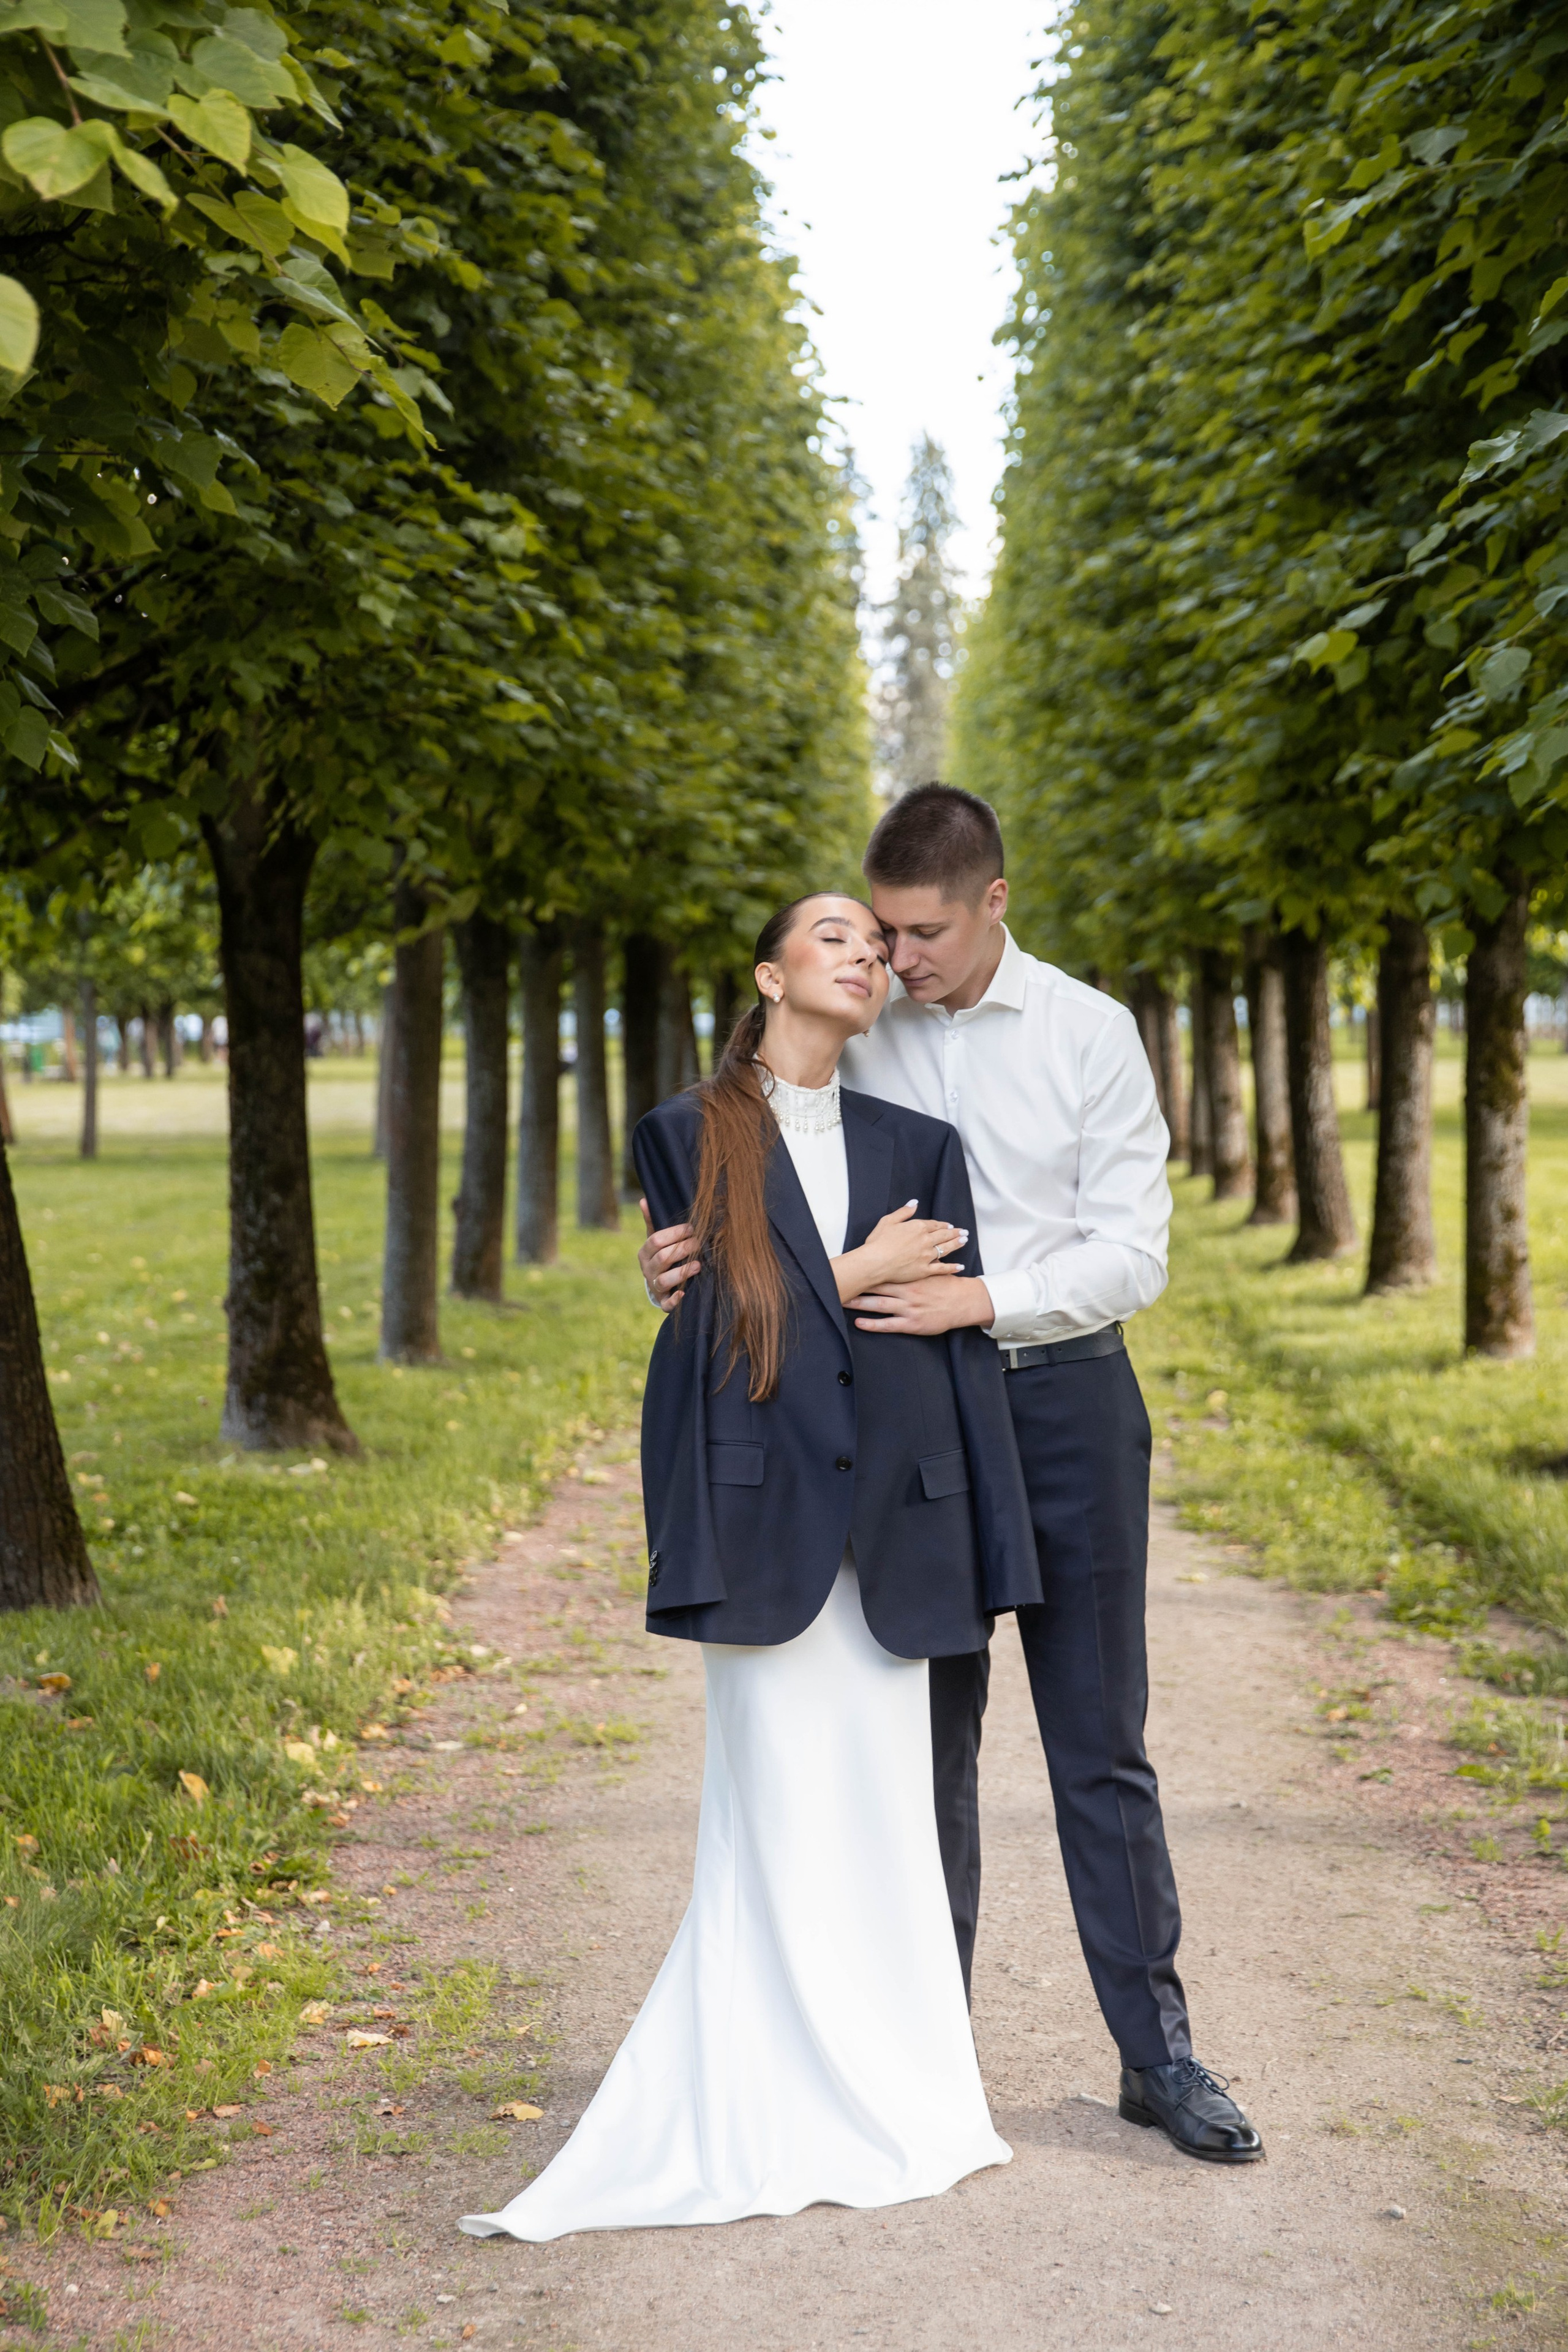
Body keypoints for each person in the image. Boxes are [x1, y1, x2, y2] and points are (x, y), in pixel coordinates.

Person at [641, 788, 1264, 2166]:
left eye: (920, 931)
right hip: (902, 1420)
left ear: (992, 901)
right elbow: (753, 1168)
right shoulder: (854, 1038)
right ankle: (923, 2057)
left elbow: (1131, 1253)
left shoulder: (1091, 1033)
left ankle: (1153, 2055)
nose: (895, 956)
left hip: (1065, 1407)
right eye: (878, 931)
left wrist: (981, 1298)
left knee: (1100, 1740)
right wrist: (680, 1256)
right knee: (925, 1745)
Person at [461, 891, 1041, 2243]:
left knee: (891, 1817)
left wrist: (982, 1535)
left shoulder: (922, 1143)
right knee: (771, 1816)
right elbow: (724, 1326)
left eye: (870, 942)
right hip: (763, 1518)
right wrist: (858, 1268)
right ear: (770, 975)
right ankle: (765, 2095)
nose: (861, 953)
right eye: (830, 935)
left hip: (895, 1521)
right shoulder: (690, 1131)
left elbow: (945, 1357)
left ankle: (901, 2092)